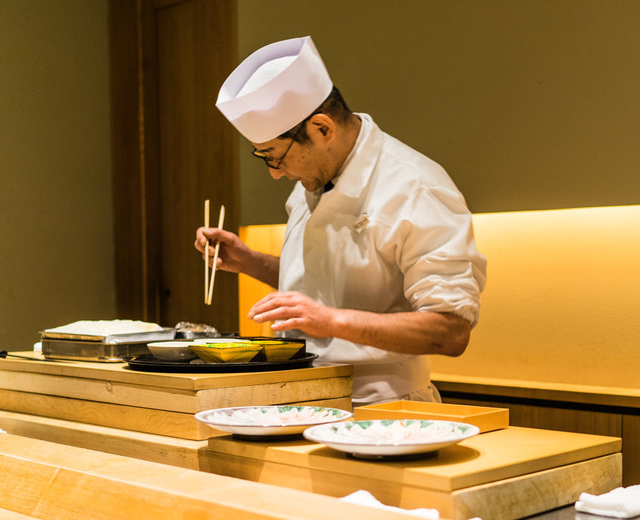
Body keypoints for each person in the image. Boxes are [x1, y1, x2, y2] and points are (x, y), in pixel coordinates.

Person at [195, 37, 486, 405]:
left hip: (385, 409)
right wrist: (251, 262)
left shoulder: (415, 186)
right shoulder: (311, 181)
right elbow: (325, 284)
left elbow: (451, 331)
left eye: (274, 155)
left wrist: (331, 321)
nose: (274, 173)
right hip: (302, 398)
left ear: (322, 129)